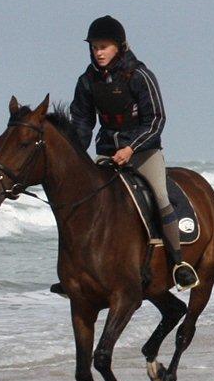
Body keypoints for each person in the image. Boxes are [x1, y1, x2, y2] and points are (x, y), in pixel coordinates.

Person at [68, 15, 199, 290]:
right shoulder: (87, 81)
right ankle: (81, 271)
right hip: (107, 153)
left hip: (142, 152)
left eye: (104, 46)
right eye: (94, 47)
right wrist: (76, 155)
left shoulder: (140, 76)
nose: (98, 52)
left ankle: (178, 264)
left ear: (119, 47)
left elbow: (156, 120)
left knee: (161, 198)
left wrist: (130, 148)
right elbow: (82, 121)